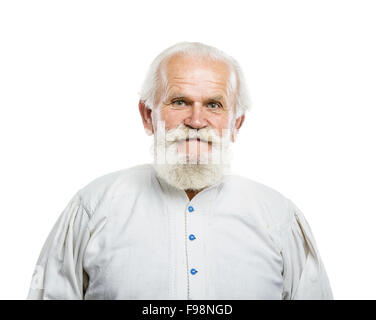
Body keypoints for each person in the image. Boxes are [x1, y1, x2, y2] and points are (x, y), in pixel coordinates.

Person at [27, 42, 333, 300]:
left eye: (214, 105)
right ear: (148, 116)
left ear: (235, 124)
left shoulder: (279, 217)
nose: (196, 121)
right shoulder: (93, 207)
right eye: (179, 102)